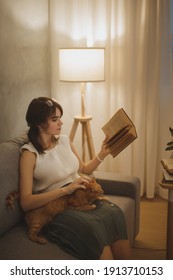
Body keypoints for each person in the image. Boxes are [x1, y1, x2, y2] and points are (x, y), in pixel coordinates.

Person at [19, 96, 131, 260]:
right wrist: (66, 190)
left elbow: (84, 168)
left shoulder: (64, 141)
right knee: (93, 227)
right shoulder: (29, 154)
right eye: (55, 119)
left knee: (115, 214)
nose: (61, 123)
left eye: (60, 118)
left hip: (80, 196)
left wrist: (102, 153)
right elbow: (26, 202)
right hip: (55, 209)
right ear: (39, 123)